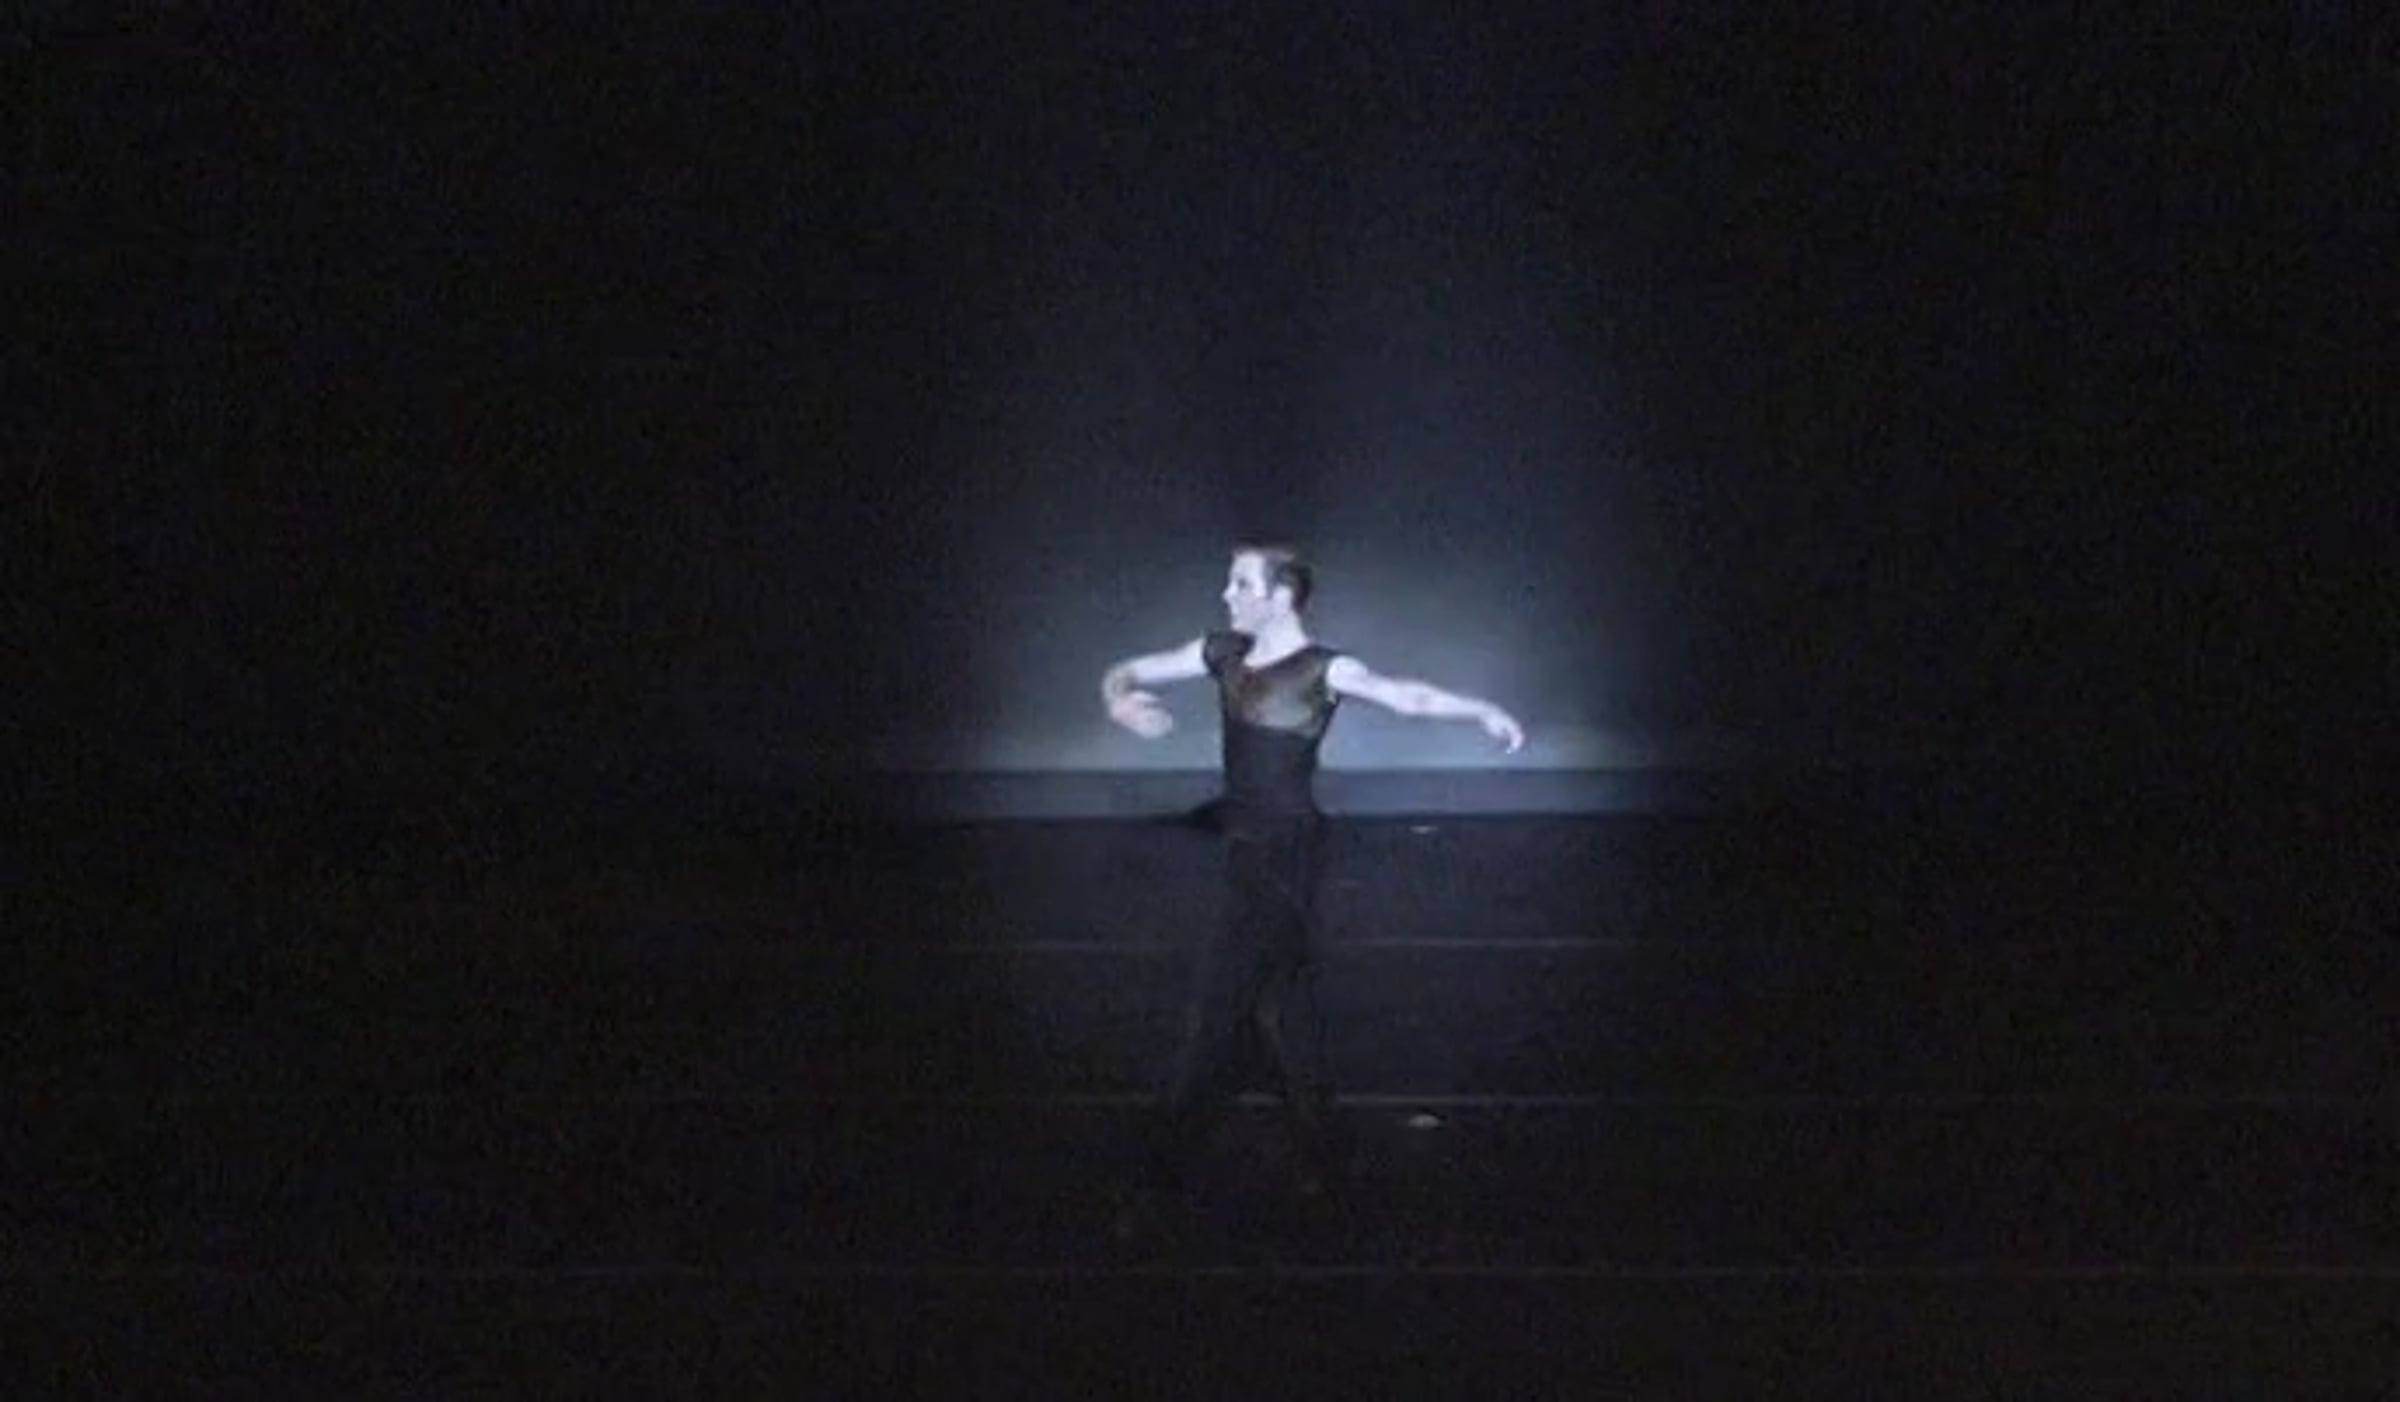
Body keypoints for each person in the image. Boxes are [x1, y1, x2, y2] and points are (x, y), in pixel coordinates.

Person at [1099, 544, 1524, 1234]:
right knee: (1281, 1014)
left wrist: (1481, 710)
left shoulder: (1323, 669)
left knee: (1217, 1016)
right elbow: (1128, 669)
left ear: (1280, 596)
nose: (1228, 594)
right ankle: (1330, 1164)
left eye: (1241, 583)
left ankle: (1158, 1175)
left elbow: (1407, 696)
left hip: (1287, 859)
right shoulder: (1222, 653)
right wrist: (1118, 699)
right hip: (1243, 851)